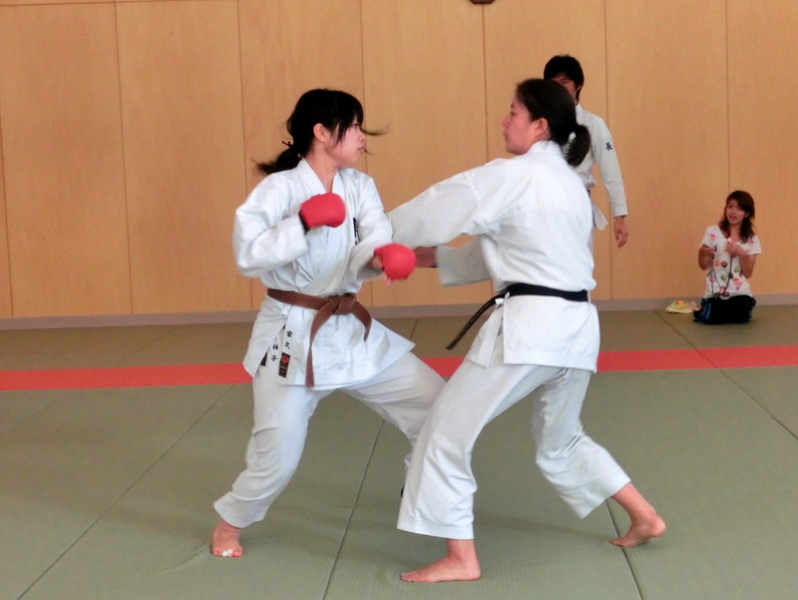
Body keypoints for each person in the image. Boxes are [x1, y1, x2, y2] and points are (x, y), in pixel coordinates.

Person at [388, 79, 665, 583]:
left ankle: (461, 557)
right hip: (577, 329)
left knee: (444, 431)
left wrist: (374, 232)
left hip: (531, 328)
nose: (504, 120)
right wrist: (426, 259)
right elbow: (506, 251)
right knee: (561, 440)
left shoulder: (513, 175)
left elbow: (439, 206)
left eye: (513, 112)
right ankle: (645, 516)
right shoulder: (570, 186)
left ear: (539, 126)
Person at [211, 89, 445, 558]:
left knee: (438, 405)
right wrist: (301, 223)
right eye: (353, 126)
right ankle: (230, 524)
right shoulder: (280, 190)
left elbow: (372, 239)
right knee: (276, 459)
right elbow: (247, 254)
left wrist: (383, 257)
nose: (361, 136)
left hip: (349, 330)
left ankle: (422, 493)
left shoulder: (359, 186)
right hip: (292, 335)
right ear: (321, 132)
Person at [544, 54, 629, 248]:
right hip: (545, 207)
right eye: (553, 83)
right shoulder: (540, 124)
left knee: (578, 264)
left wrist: (620, 215)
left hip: (577, 206)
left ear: (578, 85)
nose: (559, 88)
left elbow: (611, 170)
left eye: (564, 82)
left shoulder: (594, 125)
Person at [693, 190, 761, 324]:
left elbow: (748, 273)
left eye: (739, 209)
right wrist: (702, 253)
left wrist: (741, 254)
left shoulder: (752, 239)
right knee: (712, 319)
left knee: (740, 315)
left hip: (740, 293)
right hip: (715, 293)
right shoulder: (712, 232)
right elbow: (703, 265)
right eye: (730, 207)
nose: (733, 212)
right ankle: (708, 310)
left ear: (747, 214)